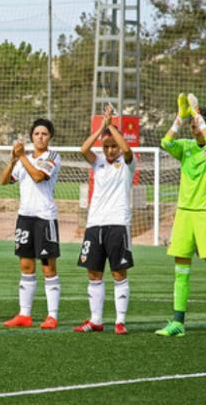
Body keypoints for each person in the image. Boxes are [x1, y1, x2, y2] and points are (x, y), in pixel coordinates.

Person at [74, 105, 135, 335]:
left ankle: (120, 321)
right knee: (93, 273)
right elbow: (83, 149)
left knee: (118, 273)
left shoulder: (128, 164)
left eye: (113, 146)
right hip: (94, 225)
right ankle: (96, 320)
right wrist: (102, 128)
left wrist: (111, 126)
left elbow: (127, 148)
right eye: (107, 146)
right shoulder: (97, 161)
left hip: (117, 223)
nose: (110, 150)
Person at [156, 93, 206, 337]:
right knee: (181, 270)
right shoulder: (186, 147)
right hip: (184, 215)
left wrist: (197, 112)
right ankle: (178, 322)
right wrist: (180, 117)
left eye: (195, 124)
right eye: (192, 125)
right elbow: (165, 143)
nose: (193, 128)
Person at [0, 119, 62, 330]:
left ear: (50, 137)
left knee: (48, 267)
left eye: (44, 134)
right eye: (37, 134)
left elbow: (37, 176)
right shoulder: (22, 160)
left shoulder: (52, 156)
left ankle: (52, 316)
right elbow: (4, 180)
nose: (40, 137)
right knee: (26, 266)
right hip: (25, 216)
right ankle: (24, 314)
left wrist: (22, 156)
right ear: (31, 136)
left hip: (45, 217)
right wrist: (12, 159)